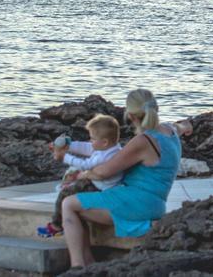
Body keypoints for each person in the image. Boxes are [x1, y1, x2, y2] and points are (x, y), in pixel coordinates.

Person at [61, 89, 192, 268]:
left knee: (68, 204)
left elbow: (103, 172)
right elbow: (183, 126)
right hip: (157, 204)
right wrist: (187, 125)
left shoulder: (144, 141)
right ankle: (89, 264)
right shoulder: (170, 130)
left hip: (136, 203)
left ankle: (77, 265)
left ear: (130, 115)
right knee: (84, 203)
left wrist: (81, 174)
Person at [37, 114, 123, 238]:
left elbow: (85, 165)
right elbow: (87, 148)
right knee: (72, 177)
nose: (90, 141)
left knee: (65, 194)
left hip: (99, 187)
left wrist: (64, 157)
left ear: (104, 142)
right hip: (98, 181)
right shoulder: (112, 148)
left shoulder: (103, 157)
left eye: (92, 138)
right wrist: (69, 146)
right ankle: (67, 186)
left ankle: (56, 225)